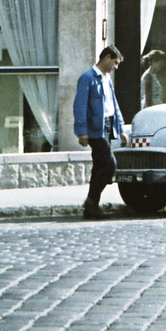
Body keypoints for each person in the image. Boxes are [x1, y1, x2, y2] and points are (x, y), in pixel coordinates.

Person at [72, 46, 124, 219]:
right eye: (115, 63)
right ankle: (91, 202)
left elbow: (113, 104)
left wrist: (121, 127)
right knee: (110, 165)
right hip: (95, 128)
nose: (115, 67)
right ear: (107, 58)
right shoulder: (87, 78)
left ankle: (91, 206)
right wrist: (81, 131)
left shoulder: (107, 78)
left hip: (108, 125)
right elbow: (79, 106)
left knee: (99, 167)